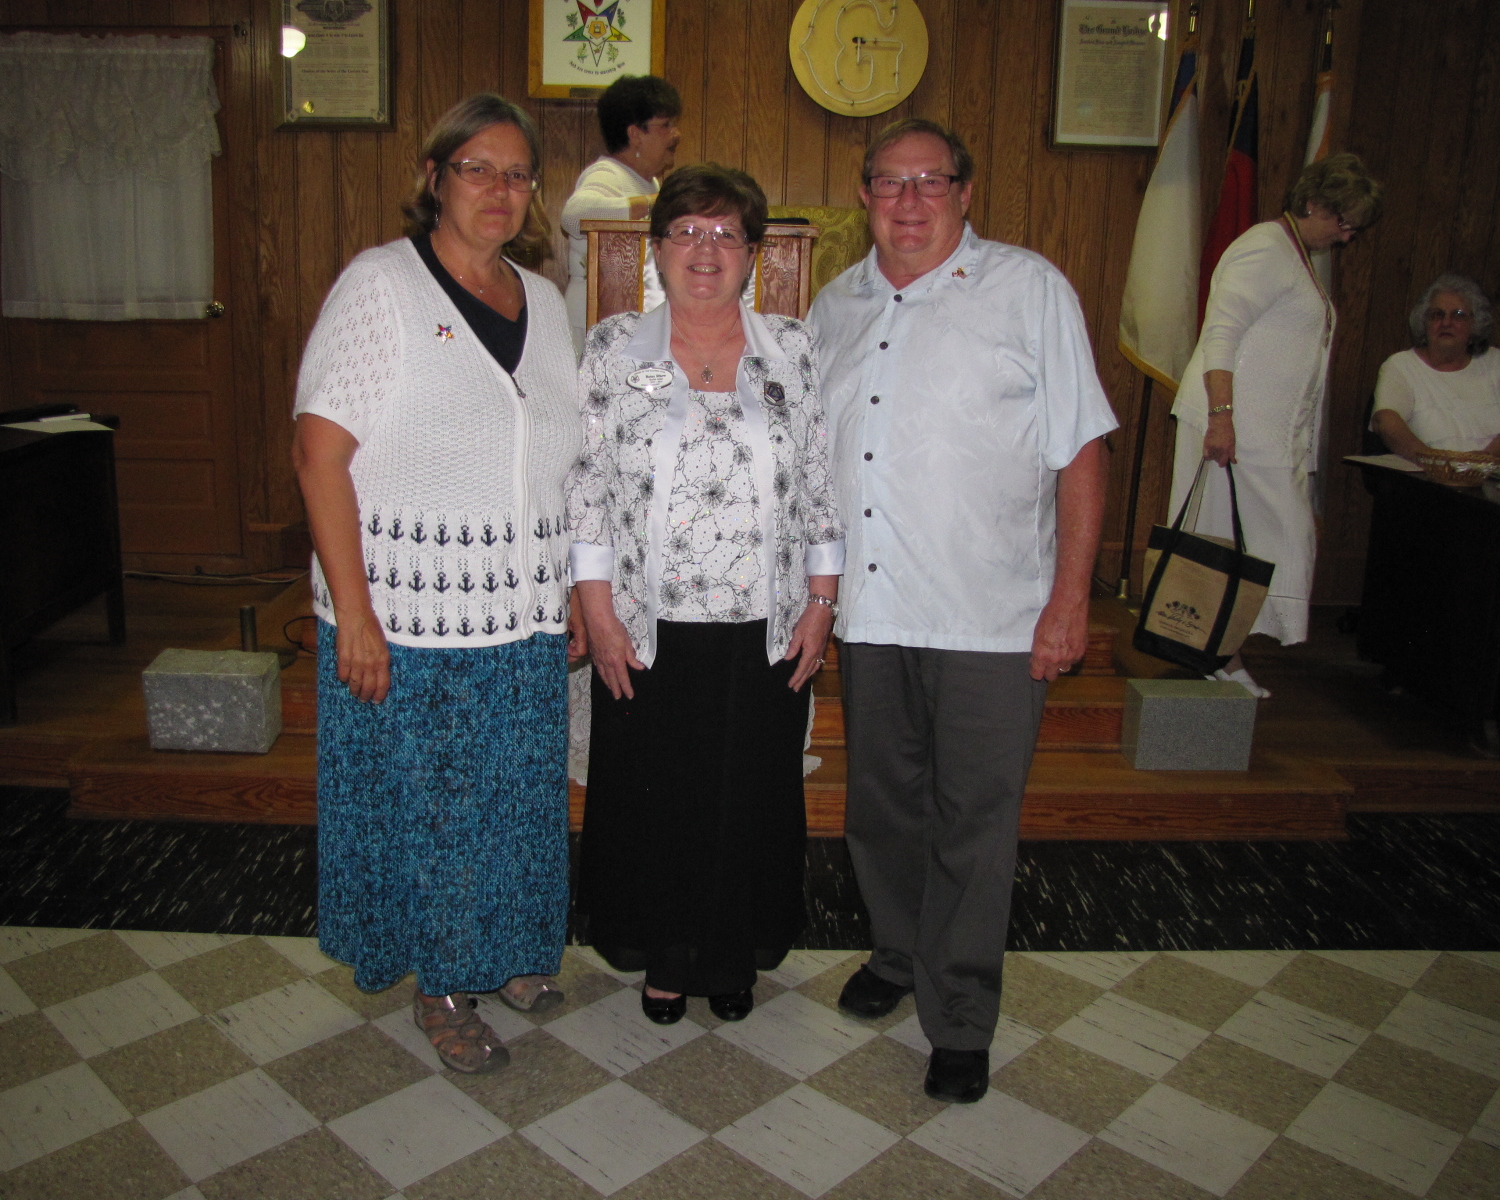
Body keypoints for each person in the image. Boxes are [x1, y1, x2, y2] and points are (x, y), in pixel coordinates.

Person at [810, 118, 1115, 1103]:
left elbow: (1081, 450)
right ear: (864, 194)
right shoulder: (833, 306)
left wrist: (1070, 597)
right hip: (871, 612)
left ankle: (961, 1012)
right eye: (889, 182)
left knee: (973, 823)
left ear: (965, 192)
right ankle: (898, 953)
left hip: (992, 616)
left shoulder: (1029, 290)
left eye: (930, 181)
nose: (909, 201)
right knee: (881, 811)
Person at [291, 94, 581, 1075]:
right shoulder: (381, 286)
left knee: (518, 801)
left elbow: (560, 454)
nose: (499, 189)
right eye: (476, 168)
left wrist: (568, 587)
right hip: (410, 616)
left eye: (517, 173)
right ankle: (443, 988)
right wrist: (355, 615)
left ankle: (504, 953)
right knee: (438, 814)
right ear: (434, 178)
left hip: (521, 614)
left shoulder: (545, 303)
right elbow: (318, 456)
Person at [567, 163, 845, 1025]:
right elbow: (588, 483)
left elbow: (818, 481)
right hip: (646, 624)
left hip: (764, 625)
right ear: (656, 249)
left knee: (748, 795)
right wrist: (597, 609)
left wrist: (822, 602)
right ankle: (664, 953)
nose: (705, 250)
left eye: (726, 234)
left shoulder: (791, 346)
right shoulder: (615, 345)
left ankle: (730, 953)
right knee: (656, 795)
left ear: (753, 254)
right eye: (686, 231)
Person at [1168, 152, 1383, 696]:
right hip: (1231, 428)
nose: (1347, 236)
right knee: (1226, 545)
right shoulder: (1265, 247)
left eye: (1354, 227)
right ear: (1312, 203)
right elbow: (1220, 333)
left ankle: (1219, 652)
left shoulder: (1296, 255)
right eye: (1343, 221)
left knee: (1263, 545)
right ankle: (1218, 655)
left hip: (1265, 438)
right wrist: (1221, 418)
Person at [560, 74, 682, 354]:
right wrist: (655, 203)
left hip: (621, 316)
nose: (676, 134)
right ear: (635, 134)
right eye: (666, 125)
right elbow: (573, 215)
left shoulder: (649, 182)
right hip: (592, 320)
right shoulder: (607, 174)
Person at [1372, 273, 1500, 458]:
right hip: (1429, 473)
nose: (1446, 323)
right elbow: (1384, 421)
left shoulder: (1495, 362)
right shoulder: (1401, 366)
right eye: (1437, 315)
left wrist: (1482, 460)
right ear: (1424, 322)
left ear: (1475, 323)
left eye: (1458, 315)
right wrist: (1435, 461)